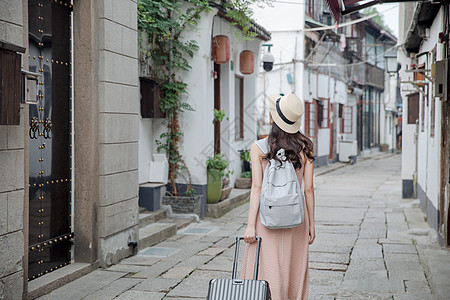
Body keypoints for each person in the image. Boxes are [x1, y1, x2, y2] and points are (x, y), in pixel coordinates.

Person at [242, 93, 316, 300]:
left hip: (267, 217)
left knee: (267, 269)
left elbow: (256, 187)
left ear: (274, 118)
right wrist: (311, 223)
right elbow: (308, 189)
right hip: (296, 218)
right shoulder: (306, 147)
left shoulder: (258, 148)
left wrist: (250, 225)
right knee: (293, 268)